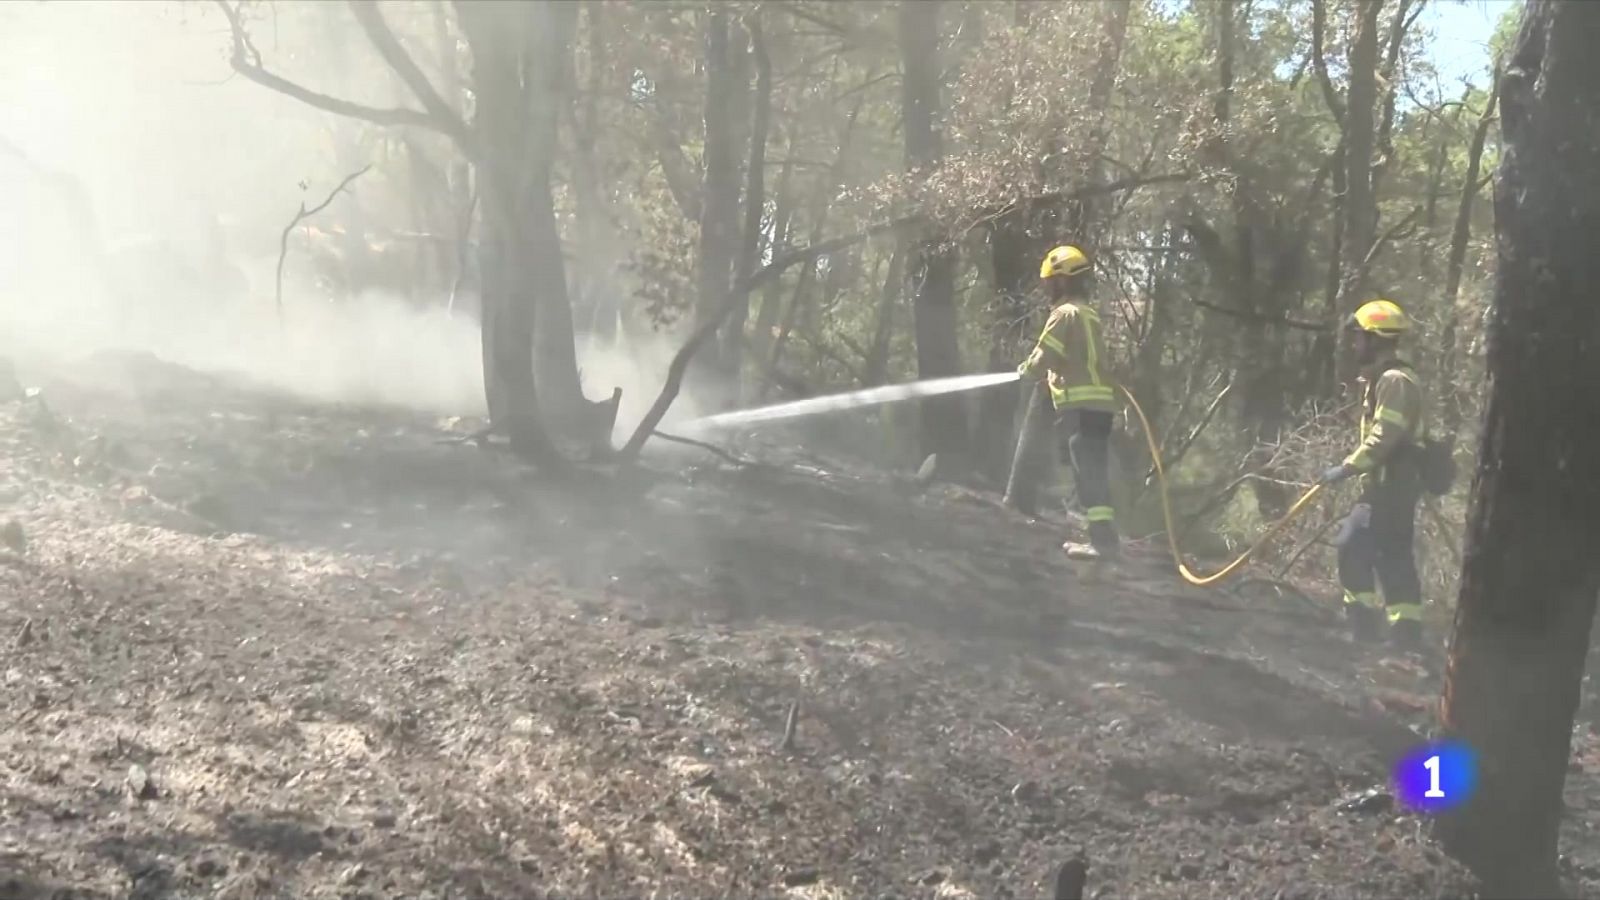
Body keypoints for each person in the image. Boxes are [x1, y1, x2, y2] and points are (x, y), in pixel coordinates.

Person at [1317, 299, 1427, 649]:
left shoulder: (1394, 381)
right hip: (1390, 485)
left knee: (1357, 547)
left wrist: (1347, 468)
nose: (1355, 344)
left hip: (1391, 486)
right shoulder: (1385, 379)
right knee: (1387, 554)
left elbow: (1384, 437)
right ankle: (1399, 633)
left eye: (1360, 337)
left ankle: (1372, 631)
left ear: (1376, 339)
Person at [1004, 244, 1120, 559]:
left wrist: (1025, 370)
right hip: (1100, 406)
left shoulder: (1064, 314)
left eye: (1050, 283)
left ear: (1063, 281)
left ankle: (1101, 543)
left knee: (1087, 473)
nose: (1047, 289)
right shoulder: (1088, 314)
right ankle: (1103, 538)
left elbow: (1044, 355)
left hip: (1081, 406)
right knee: (1092, 469)